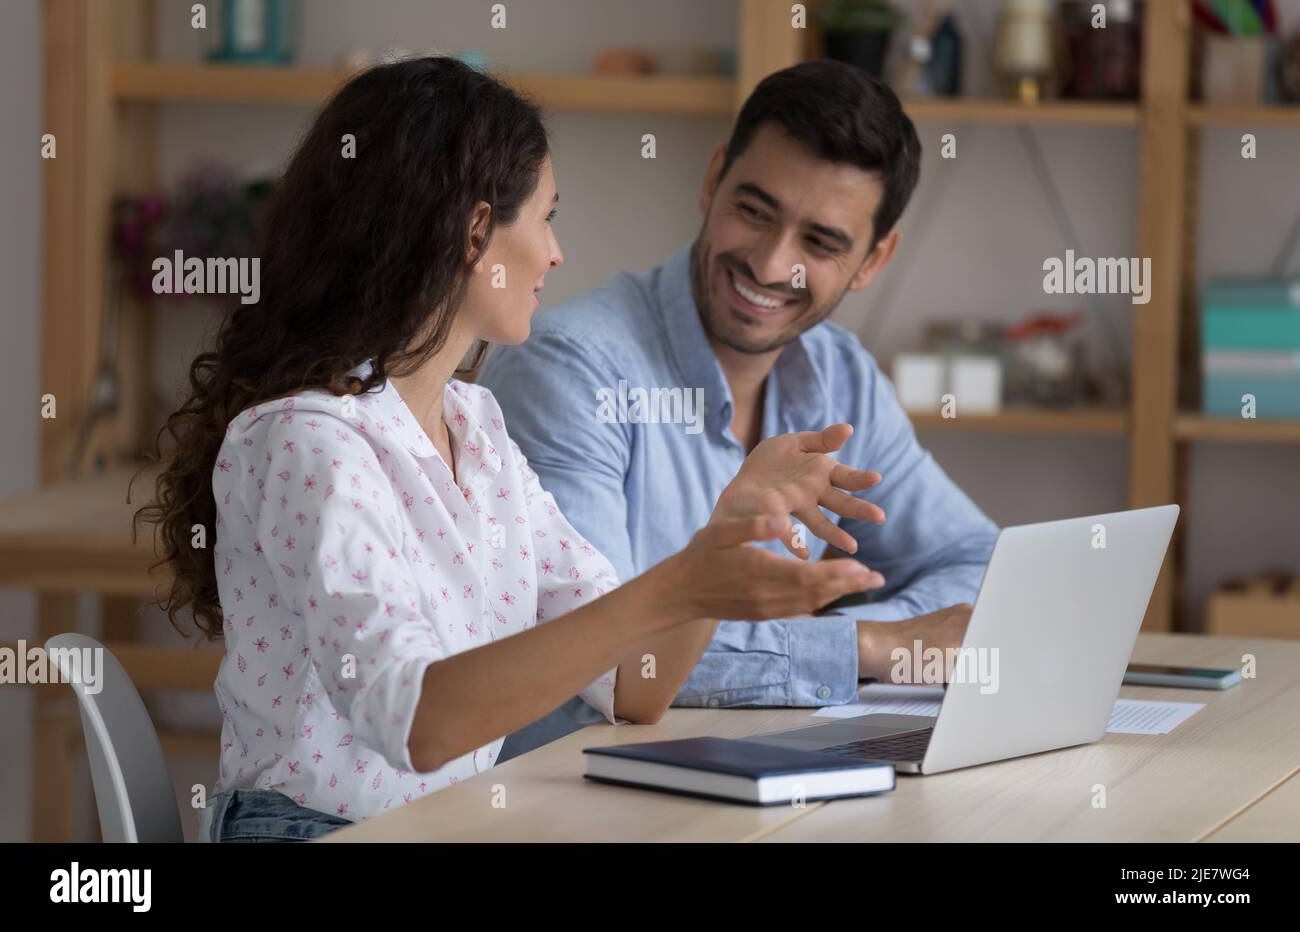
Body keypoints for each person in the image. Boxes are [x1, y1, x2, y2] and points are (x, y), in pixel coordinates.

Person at [136, 56, 887, 842]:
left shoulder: (479, 428)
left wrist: (725, 532)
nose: (556, 254)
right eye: (547, 217)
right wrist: (674, 587)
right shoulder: (308, 441)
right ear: (474, 233)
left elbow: (638, 687)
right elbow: (418, 721)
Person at [479, 60, 999, 760]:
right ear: (713, 178)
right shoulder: (570, 366)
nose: (770, 263)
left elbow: (978, 561)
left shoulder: (843, 376)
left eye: (820, 243)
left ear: (874, 260)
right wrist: (875, 645)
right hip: (574, 801)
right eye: (754, 211)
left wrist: (889, 639)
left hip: (757, 772)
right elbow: (602, 656)